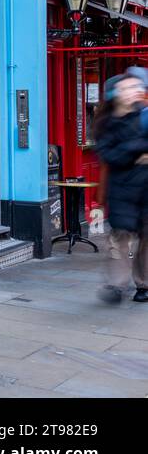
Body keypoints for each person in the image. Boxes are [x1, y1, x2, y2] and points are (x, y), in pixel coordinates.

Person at [92, 72, 148, 303]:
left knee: (146, 239)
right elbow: (111, 157)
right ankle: (117, 284)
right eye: (129, 87)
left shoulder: (145, 117)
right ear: (115, 94)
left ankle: (143, 284)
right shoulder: (105, 125)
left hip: (146, 190)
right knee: (119, 239)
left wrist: (129, 151)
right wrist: (138, 149)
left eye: (138, 86)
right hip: (121, 192)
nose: (136, 90)